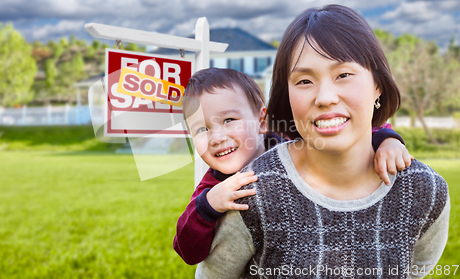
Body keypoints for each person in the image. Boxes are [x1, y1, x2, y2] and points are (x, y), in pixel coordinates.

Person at [195, 5, 450, 279]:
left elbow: (415, 271)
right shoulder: (252, 192)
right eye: (304, 81)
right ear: (287, 95)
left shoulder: (424, 190)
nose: (325, 97)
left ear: (377, 84)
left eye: (343, 75)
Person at [174, 68, 412, 265]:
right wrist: (208, 206)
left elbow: (348, 132)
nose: (216, 137)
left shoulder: (291, 144)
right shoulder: (212, 186)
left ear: (262, 121)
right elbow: (188, 252)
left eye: (228, 120)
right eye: (201, 130)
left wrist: (387, 140)